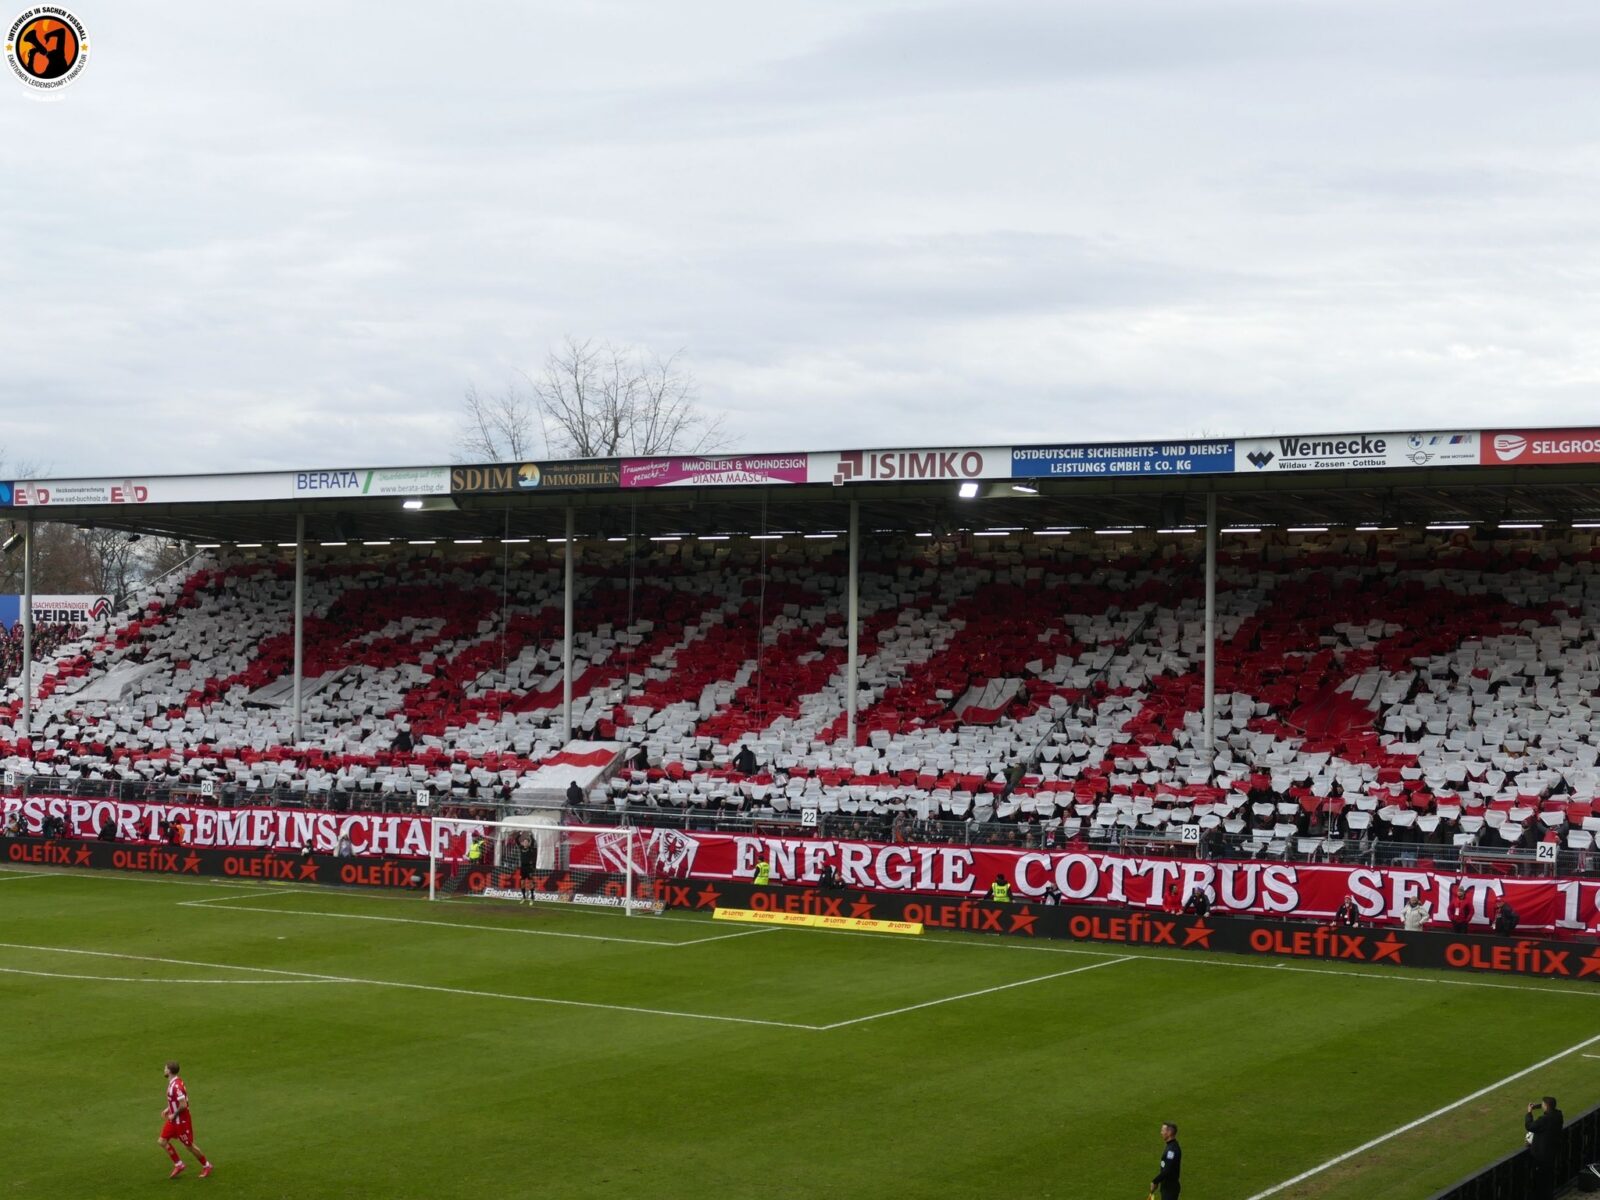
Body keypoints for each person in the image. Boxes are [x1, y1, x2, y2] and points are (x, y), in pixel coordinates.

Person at [157, 1061, 213, 1179]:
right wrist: (168, 1109)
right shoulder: (174, 1083)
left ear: (170, 1071)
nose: (164, 1070)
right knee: (162, 1141)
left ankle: (207, 1165)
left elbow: (183, 1105)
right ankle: (179, 1164)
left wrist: (174, 1114)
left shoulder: (176, 1086)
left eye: (165, 1068)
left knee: (189, 1146)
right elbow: (176, 1101)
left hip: (181, 1121)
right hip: (174, 1120)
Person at [1525, 1095, 1563, 1200]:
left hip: (1541, 1157)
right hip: (1552, 1153)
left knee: (1539, 1181)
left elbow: (1530, 1126)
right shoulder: (1558, 1115)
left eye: (1542, 1104)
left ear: (1546, 1106)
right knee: (1548, 1179)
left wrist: (1529, 1113)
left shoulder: (1545, 1120)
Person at [1151, 1121, 1181, 1199]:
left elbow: (1167, 1170)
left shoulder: (1172, 1150)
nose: (1161, 1133)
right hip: (1167, 1187)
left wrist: (1155, 1181)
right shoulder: (1171, 1146)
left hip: (1170, 1189)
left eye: (1163, 1130)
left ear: (1169, 1132)